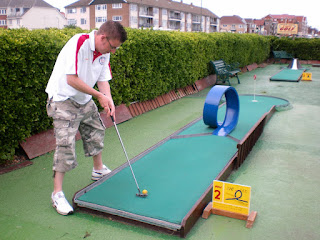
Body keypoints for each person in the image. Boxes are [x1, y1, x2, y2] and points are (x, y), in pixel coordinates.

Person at [45, 21, 127, 215]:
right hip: (63, 98)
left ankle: (98, 169)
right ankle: (57, 194)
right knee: (65, 144)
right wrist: (99, 96)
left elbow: (102, 79)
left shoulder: (104, 52)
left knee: (96, 129)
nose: (113, 51)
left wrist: (109, 99)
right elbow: (71, 79)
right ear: (102, 38)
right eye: (113, 46)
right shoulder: (78, 42)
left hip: (84, 98)